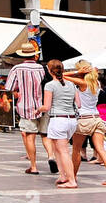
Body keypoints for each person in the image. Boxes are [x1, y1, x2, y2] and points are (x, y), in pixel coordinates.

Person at [69, 62, 106, 187]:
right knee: (101, 149)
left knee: (76, 150)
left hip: (84, 119)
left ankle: (73, 176)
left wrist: (77, 73)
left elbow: (60, 76)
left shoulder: (83, 84)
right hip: (97, 118)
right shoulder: (96, 84)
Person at [6, 42, 51, 174]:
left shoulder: (17, 69)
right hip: (43, 106)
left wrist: (17, 93)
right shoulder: (42, 69)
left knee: (29, 136)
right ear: (34, 55)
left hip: (26, 107)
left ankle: (33, 166)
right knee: (45, 135)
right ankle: (51, 156)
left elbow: (9, 88)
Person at [40, 59, 87, 187]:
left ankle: (71, 180)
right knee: (57, 149)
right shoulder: (71, 85)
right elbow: (79, 104)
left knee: (63, 151)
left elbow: (47, 106)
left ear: (49, 71)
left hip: (58, 120)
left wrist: (38, 109)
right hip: (71, 120)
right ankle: (62, 176)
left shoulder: (49, 85)